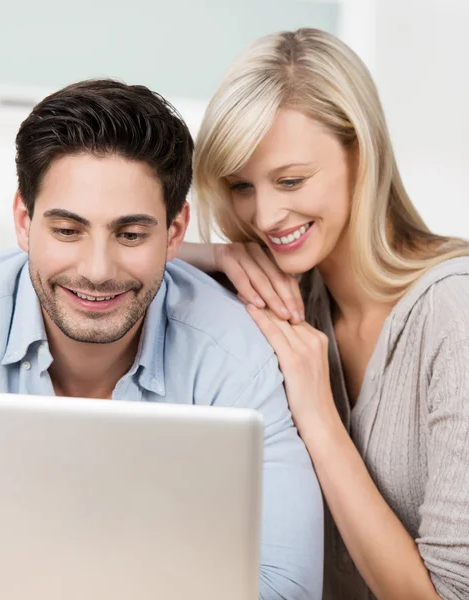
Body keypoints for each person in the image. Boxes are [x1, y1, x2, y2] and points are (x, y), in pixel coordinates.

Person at [0, 79, 323, 600]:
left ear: (175, 233)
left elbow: (289, 587)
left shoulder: (234, 356)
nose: (97, 270)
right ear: (24, 220)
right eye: (67, 230)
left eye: (130, 235)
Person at [180, 27, 469, 600]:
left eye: (290, 180)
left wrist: (319, 415)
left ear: (361, 152)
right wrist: (217, 253)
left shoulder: (453, 313)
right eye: (241, 187)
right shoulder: (285, 292)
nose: (264, 215)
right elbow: (86, 262)